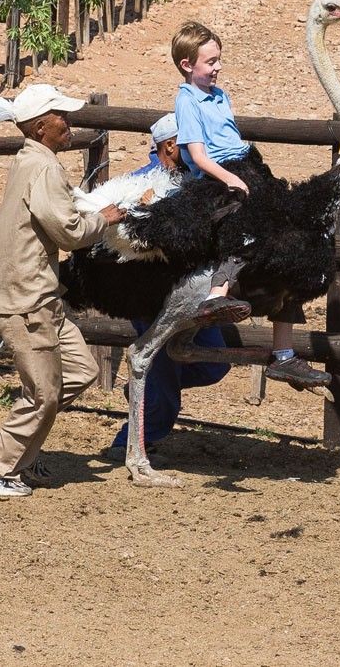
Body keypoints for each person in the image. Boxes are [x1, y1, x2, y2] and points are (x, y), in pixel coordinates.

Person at [0, 84, 125, 497]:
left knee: (80, 372)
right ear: (39, 127)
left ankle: (21, 456)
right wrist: (105, 218)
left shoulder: (32, 159)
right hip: (27, 299)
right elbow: (68, 232)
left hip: (40, 296)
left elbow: (61, 208)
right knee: (45, 394)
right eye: (60, 117)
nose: (68, 124)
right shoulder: (44, 167)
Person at [170, 20, 330, 390]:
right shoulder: (187, 100)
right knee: (250, 224)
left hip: (244, 165)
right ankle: (216, 296)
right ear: (187, 65)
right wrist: (229, 178)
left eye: (218, 60)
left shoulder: (219, 95)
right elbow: (195, 153)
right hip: (217, 175)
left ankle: (285, 356)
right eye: (210, 62)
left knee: (293, 239)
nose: (217, 67)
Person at [104, 113, 231, 460]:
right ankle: (126, 446)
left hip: (190, 293)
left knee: (214, 365)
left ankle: (144, 389)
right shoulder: (139, 185)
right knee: (163, 382)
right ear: (171, 146)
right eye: (191, 143)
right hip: (151, 294)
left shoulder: (194, 181)